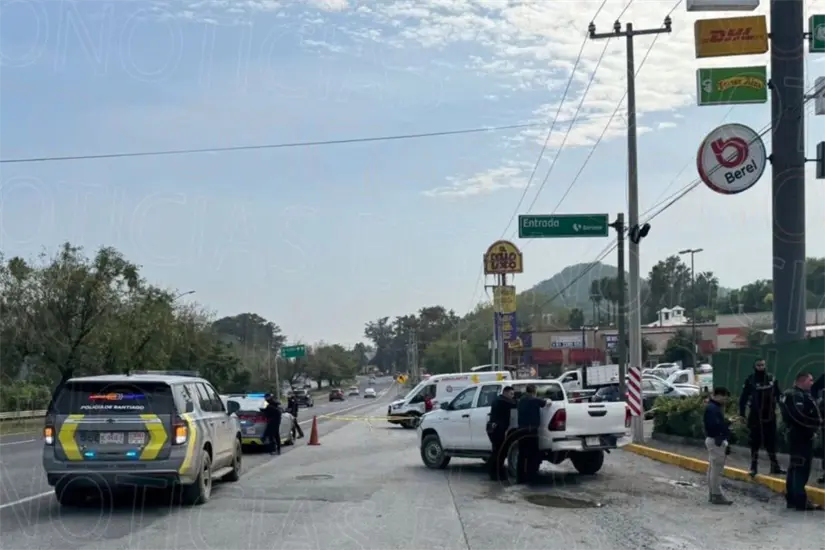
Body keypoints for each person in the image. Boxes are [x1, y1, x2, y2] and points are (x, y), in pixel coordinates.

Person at [780, 372, 822, 511]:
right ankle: (800, 501)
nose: (812, 383)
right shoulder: (795, 395)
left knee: (795, 468)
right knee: (801, 469)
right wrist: (815, 425)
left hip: (796, 436)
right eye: (810, 380)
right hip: (801, 437)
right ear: (802, 381)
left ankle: (792, 499)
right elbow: (799, 417)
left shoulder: (792, 394)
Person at [739, 358, 785, 476]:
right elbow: (743, 398)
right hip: (755, 416)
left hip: (770, 415)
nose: (761, 367)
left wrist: (784, 410)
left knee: (771, 441)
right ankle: (754, 467)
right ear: (755, 366)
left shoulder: (771, 378)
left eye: (763, 365)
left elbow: (779, 394)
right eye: (759, 365)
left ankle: (775, 466)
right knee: (755, 442)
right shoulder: (750, 380)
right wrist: (742, 413)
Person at [704, 387, 733, 505]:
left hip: (713, 440)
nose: (725, 400)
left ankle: (713, 493)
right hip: (716, 441)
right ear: (717, 395)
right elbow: (714, 425)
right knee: (716, 470)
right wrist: (724, 428)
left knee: (712, 468)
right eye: (724, 397)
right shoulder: (712, 408)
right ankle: (716, 494)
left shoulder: (713, 407)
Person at [515, 385, 547, 483]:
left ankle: (520, 478)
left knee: (522, 454)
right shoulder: (535, 400)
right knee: (532, 454)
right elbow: (546, 403)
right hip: (531, 431)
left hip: (521, 430)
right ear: (534, 391)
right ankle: (531, 476)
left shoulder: (521, 401)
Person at [486, 386, 516, 481]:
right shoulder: (502, 401)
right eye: (511, 394)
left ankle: (495, 472)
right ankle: (495, 473)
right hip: (497, 430)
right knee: (499, 451)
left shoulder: (498, 400)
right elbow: (514, 404)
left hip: (494, 429)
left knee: (498, 451)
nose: (512, 396)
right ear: (505, 393)